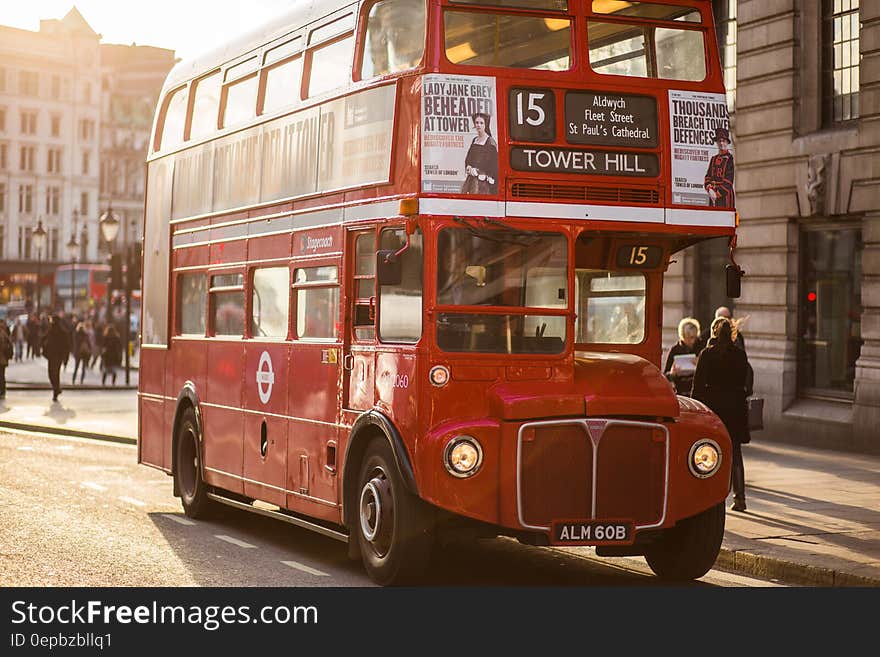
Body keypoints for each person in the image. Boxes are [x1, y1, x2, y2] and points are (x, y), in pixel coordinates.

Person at [691, 316, 752, 512]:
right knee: (735, 453)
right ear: (732, 333)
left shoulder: (707, 354)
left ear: (714, 333)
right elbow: (745, 382)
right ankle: (740, 498)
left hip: (713, 410)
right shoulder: (740, 355)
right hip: (734, 409)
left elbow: (698, 386)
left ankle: (711, 499)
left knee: (710, 452)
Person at [461, 113, 498, 195]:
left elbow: (493, 165)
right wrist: (468, 166)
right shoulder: (475, 140)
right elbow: (469, 158)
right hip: (472, 179)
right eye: (477, 123)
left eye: (481, 123)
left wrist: (478, 171)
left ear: (485, 125)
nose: (478, 125)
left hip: (484, 182)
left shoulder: (490, 142)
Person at [664, 317, 701, 396]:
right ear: (683, 336)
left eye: (695, 337)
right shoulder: (675, 350)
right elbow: (665, 375)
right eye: (690, 337)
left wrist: (700, 363)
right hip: (681, 390)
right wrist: (672, 373)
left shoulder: (700, 348)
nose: (693, 341)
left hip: (696, 390)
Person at [704, 127, 735, 208]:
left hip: (725, 196)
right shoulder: (713, 159)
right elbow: (708, 177)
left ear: (727, 143)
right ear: (717, 143)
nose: (721, 143)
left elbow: (728, 181)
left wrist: (717, 194)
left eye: (723, 141)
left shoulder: (730, 159)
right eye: (719, 141)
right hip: (712, 194)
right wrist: (709, 189)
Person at [42, 315, 70, 402]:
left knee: (52, 373)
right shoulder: (53, 331)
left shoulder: (60, 332)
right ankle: (56, 389)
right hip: (55, 356)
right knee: (54, 373)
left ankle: (56, 391)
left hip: (55, 355)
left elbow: (66, 346)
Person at [0, 322, 13, 399]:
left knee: (1, 376)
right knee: (2, 375)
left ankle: (2, 391)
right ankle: (2, 390)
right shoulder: (5, 335)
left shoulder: (2, 335)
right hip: (3, 359)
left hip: (1, 359)